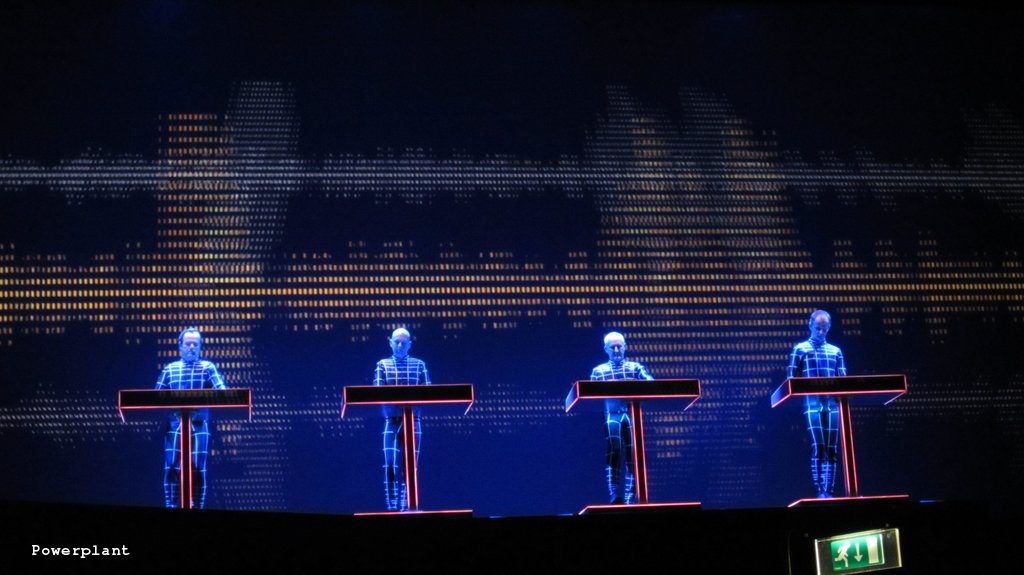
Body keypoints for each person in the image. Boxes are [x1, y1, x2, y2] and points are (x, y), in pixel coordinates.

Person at [155, 327, 227, 509]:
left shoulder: (208, 367)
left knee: (198, 468)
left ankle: (198, 506)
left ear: (200, 346)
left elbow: (223, 392)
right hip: (174, 425)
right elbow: (154, 397)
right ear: (180, 346)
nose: (192, 347)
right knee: (171, 466)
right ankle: (171, 505)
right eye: (188, 344)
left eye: (195, 344)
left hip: (199, 424)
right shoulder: (170, 369)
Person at [787, 310, 847, 498]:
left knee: (831, 449)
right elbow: (791, 381)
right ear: (810, 325)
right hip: (812, 404)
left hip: (832, 405)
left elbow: (845, 381)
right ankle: (820, 489)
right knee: (819, 446)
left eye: (824, 329)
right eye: (817, 328)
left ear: (829, 328)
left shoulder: (835, 351)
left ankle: (829, 490)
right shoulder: (800, 349)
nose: (820, 332)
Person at [589, 331, 653, 505]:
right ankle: (614, 493)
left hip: (632, 415)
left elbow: (651, 383)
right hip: (612, 415)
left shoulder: (635, 368)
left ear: (625, 347)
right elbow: (589, 396)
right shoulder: (599, 372)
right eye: (613, 347)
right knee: (615, 450)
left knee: (633, 455)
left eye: (619, 346)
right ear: (606, 349)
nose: (617, 350)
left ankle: (630, 497)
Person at [373, 328, 431, 511]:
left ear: (410, 344)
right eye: (396, 342)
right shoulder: (382, 364)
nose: (399, 346)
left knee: (411, 465)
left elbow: (429, 392)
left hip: (413, 420)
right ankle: (392, 507)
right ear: (390, 343)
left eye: (403, 343)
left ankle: (406, 505)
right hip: (391, 420)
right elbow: (376, 392)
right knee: (389, 463)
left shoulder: (419, 365)